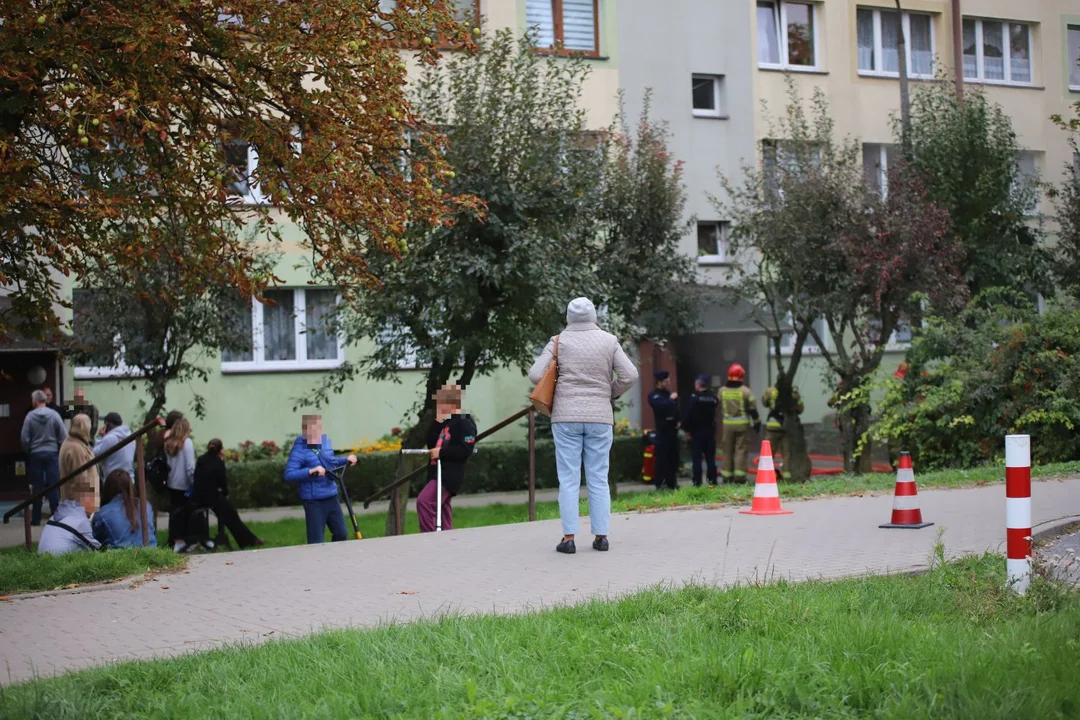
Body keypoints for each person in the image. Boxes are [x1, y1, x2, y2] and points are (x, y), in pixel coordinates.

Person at [528, 297, 638, 555]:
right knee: (599, 477)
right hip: (600, 416)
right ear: (594, 316)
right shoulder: (609, 341)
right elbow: (630, 375)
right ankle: (601, 537)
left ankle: (568, 538)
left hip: (565, 417)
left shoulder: (558, 341)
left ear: (568, 317)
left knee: (568, 479)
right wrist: (609, 392)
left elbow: (535, 374)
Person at [283, 415, 357, 544]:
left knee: (341, 533)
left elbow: (331, 462)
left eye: (319, 428)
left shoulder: (324, 443)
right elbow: (289, 474)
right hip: (314, 501)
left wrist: (346, 460)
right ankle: (317, 562)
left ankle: (333, 559)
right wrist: (310, 471)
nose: (317, 433)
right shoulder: (300, 449)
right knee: (316, 541)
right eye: (313, 430)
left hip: (331, 496)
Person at [416, 385, 477, 533]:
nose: (439, 406)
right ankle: (449, 540)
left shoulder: (464, 422)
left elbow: (465, 449)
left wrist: (441, 452)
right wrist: (437, 421)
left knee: (424, 502)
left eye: (441, 402)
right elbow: (431, 442)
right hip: (436, 472)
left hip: (449, 474)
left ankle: (429, 538)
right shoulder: (446, 422)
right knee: (442, 509)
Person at [193, 439, 263, 548]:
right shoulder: (218, 462)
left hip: (198, 497)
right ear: (220, 450)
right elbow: (222, 484)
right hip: (212, 498)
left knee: (228, 513)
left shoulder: (201, 460)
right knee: (232, 514)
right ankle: (248, 540)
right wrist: (225, 494)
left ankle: (249, 539)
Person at [20, 389, 67, 525]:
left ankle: (35, 519)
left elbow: (24, 438)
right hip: (52, 453)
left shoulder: (30, 416)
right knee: (54, 486)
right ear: (45, 400)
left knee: (37, 487)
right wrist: (58, 448)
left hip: (36, 454)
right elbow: (63, 435)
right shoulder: (54, 415)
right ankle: (56, 517)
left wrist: (29, 450)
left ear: (34, 401)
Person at [38, 460, 100, 555]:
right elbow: (97, 550)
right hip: (59, 566)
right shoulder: (80, 522)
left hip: (43, 562)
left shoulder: (56, 516)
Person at [93, 469, 157, 549]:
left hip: (123, 559)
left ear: (107, 489)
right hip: (152, 555)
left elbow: (94, 544)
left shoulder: (103, 514)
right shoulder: (146, 506)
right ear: (131, 486)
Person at [720, 363, 760, 484]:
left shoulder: (722, 391)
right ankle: (739, 477)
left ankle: (727, 476)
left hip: (727, 425)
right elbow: (753, 409)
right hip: (742, 425)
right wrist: (757, 423)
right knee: (740, 450)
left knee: (727, 450)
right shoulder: (745, 391)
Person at [164, 416, 196, 551]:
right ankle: (184, 541)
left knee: (175, 513)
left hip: (172, 483)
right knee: (185, 513)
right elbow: (190, 467)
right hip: (184, 484)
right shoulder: (187, 443)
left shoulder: (168, 443)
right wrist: (193, 482)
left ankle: (175, 540)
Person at [683, 374, 719, 487]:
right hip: (709, 432)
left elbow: (689, 415)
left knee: (697, 459)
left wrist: (687, 429)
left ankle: (697, 482)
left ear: (698, 384)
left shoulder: (694, 398)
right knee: (710, 459)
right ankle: (712, 481)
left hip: (697, 433)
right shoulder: (713, 397)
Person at [761, 385, 804, 480]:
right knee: (787, 454)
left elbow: (764, 403)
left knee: (768, 453)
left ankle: (766, 477)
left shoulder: (770, 391)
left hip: (772, 426)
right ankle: (787, 477)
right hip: (786, 427)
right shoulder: (794, 393)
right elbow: (800, 409)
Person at [59, 413, 100, 512]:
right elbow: (81, 480)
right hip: (80, 506)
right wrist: (88, 509)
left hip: (75, 504)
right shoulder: (76, 448)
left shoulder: (73, 442)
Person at [647, 370, 680, 491]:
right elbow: (660, 407)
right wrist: (671, 400)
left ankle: (672, 482)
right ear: (659, 382)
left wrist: (678, 420)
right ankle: (660, 483)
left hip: (672, 429)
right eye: (666, 381)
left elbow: (675, 409)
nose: (668, 383)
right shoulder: (654, 395)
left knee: (673, 458)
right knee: (661, 458)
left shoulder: (668, 393)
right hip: (662, 430)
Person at [94, 412, 136, 484]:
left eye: (105, 423)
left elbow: (94, 454)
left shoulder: (110, 438)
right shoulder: (131, 439)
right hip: (129, 481)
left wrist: (100, 437)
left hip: (114, 483)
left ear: (108, 424)